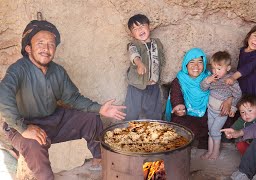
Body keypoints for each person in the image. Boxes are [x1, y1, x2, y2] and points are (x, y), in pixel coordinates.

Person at [0, 20, 126, 180]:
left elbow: (73, 98)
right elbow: (3, 96)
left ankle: (99, 159)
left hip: (53, 121)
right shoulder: (18, 69)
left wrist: (100, 108)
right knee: (34, 144)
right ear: (28, 48)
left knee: (91, 118)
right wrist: (24, 129)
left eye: (51, 44)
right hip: (22, 125)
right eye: (40, 43)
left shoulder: (58, 71)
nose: (46, 49)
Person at [165, 48, 233, 149]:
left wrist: (229, 100)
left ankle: (205, 140)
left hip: (207, 112)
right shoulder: (180, 79)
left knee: (224, 117)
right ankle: (201, 138)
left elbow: (225, 89)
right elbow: (176, 94)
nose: (196, 66)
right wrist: (178, 106)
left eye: (200, 62)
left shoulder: (210, 77)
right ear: (186, 64)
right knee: (180, 126)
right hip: (187, 113)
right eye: (191, 62)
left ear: (204, 64)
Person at [200, 51, 242, 160]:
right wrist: (207, 80)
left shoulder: (230, 80)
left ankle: (215, 152)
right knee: (210, 131)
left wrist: (233, 107)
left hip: (221, 112)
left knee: (215, 131)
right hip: (211, 109)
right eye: (213, 68)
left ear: (227, 68)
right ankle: (210, 151)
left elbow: (238, 94)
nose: (215, 71)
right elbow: (203, 88)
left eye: (219, 69)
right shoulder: (212, 78)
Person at [125, 14, 165, 121]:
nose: (140, 30)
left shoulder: (157, 43)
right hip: (136, 87)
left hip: (153, 86)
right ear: (132, 34)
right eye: (135, 29)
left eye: (142, 26)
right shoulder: (133, 44)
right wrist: (139, 63)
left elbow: (160, 58)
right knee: (132, 113)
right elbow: (134, 55)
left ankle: (154, 134)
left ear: (149, 27)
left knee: (154, 113)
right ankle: (128, 133)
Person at [225, 24, 256, 114]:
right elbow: (241, 66)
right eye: (255, 36)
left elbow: (246, 68)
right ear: (249, 35)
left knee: (253, 105)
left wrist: (233, 77)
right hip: (242, 81)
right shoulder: (243, 50)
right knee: (241, 103)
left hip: (252, 85)